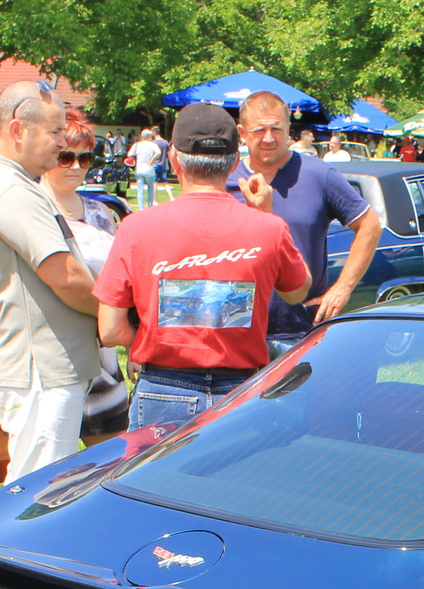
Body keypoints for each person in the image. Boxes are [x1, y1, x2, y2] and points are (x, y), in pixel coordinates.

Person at [94, 103, 311, 427]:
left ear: (173, 159)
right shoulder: (269, 228)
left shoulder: (136, 227)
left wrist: (152, 337)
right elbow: (298, 291)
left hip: (163, 388)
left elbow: (109, 329)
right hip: (240, 391)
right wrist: (266, 215)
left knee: (152, 480)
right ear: (236, 162)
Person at [0, 79, 101, 483]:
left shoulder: (14, 183)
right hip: (42, 370)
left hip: (45, 368)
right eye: (55, 131)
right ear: (18, 130)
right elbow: (65, 276)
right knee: (37, 495)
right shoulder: (10, 189)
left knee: (40, 488)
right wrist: (121, 313)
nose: (62, 143)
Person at [227, 89, 381, 348]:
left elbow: (370, 226)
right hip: (238, 335)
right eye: (258, 131)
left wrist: (342, 289)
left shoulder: (319, 176)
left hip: (300, 334)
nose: (268, 138)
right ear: (241, 133)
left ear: (289, 128)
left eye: (276, 129)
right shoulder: (226, 180)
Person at [41, 109, 128, 442]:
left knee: (110, 455)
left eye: (85, 158)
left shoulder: (101, 212)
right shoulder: (34, 211)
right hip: (56, 352)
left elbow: (123, 280)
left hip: (103, 352)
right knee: (53, 465)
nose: (76, 166)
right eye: (66, 157)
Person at [128, 128, 162, 210]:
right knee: (150, 189)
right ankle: (150, 206)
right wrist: (152, 160)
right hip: (149, 168)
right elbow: (159, 153)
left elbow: (129, 154)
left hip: (139, 168)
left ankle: (141, 208)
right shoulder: (153, 145)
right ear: (150, 137)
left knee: (140, 190)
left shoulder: (137, 145)